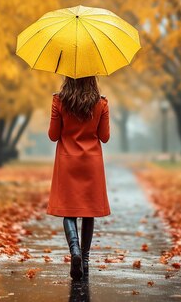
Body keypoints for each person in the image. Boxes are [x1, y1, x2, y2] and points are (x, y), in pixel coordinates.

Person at [47, 76, 111, 280]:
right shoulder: (101, 103)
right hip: (91, 163)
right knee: (89, 211)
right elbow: (105, 136)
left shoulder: (59, 101)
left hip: (67, 162)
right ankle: (84, 259)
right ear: (92, 79)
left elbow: (53, 135)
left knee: (69, 210)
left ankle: (74, 250)